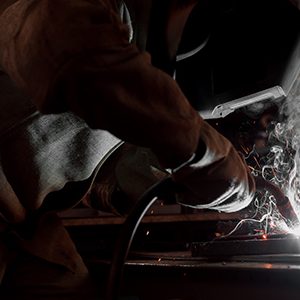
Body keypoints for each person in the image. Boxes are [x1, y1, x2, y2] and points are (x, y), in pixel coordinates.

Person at [0, 0, 256, 299]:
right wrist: (203, 153)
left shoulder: (138, 83)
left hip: (22, 227)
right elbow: (73, 55)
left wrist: (164, 180)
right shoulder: (95, 13)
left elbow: (108, 172)